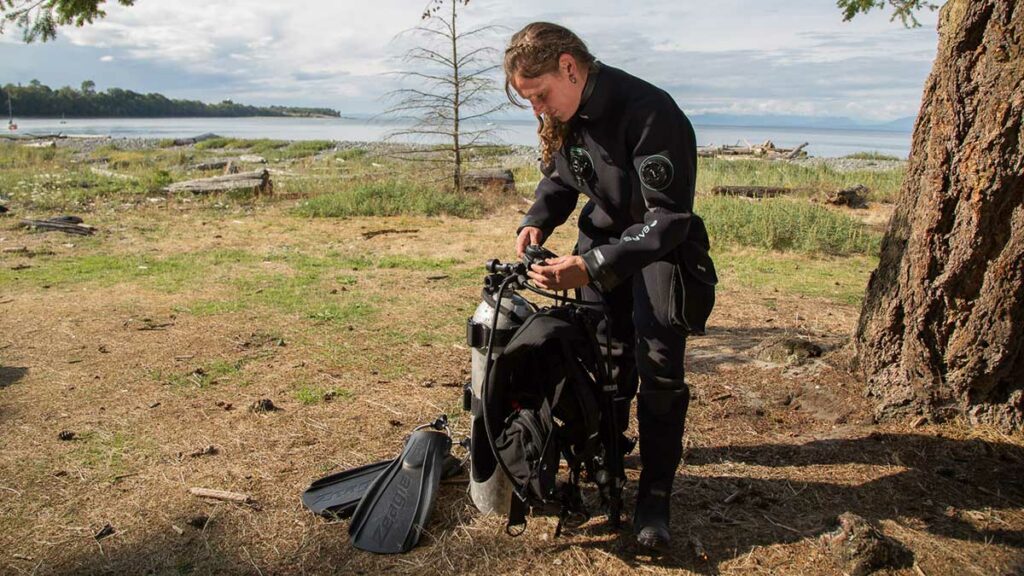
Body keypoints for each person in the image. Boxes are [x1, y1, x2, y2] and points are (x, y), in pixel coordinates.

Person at [504, 22, 712, 549]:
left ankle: (654, 499)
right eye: (529, 102)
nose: (539, 110)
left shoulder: (650, 112)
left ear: (569, 67)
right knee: (606, 359)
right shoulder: (567, 115)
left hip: (659, 253)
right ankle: (608, 461)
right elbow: (560, 177)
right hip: (598, 247)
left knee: (658, 369)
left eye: (541, 95)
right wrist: (538, 219)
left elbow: (667, 220)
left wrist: (590, 265)